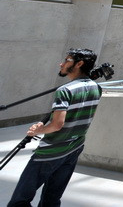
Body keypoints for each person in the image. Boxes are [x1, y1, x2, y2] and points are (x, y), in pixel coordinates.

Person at [8, 48, 102, 207]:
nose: (62, 64)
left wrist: (38, 130)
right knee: (51, 199)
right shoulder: (96, 88)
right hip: (74, 149)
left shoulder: (64, 90)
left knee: (20, 200)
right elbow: (76, 115)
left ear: (79, 64)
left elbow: (58, 124)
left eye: (67, 60)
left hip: (51, 152)